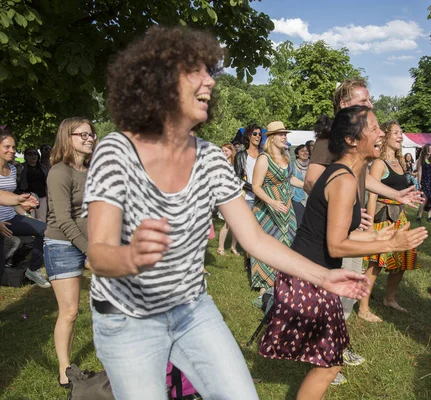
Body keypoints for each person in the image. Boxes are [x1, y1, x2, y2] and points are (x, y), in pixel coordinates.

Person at [84, 26, 370, 400]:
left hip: (191, 310)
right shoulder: (116, 150)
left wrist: (323, 276)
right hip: (126, 318)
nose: (210, 81)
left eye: (210, 73)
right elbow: (98, 254)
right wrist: (131, 255)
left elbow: (253, 238)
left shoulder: (209, 158)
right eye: (195, 72)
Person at [259, 106, 428, 399]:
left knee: (329, 360)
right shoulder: (344, 180)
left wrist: (378, 234)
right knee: (329, 362)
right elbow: (337, 245)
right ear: (351, 140)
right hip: (309, 279)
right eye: (374, 128)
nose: (382, 133)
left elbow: (343, 234)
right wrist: (390, 245)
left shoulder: (343, 174)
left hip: (313, 276)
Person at [302, 79, 423, 376]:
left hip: (352, 227)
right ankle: (326, 359)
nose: (370, 105)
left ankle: (335, 350)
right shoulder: (330, 140)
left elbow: (360, 179)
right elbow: (310, 181)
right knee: (335, 294)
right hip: (336, 231)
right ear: (345, 105)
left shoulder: (358, 145)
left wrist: (395, 194)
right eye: (364, 101)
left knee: (349, 291)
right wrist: (344, 209)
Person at [44, 117, 97, 388]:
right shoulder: (59, 172)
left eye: (91, 134)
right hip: (61, 245)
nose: (90, 138)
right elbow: (64, 219)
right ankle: (65, 370)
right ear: (68, 137)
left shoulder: (91, 170)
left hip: (90, 243)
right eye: (83, 135)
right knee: (70, 311)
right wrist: (89, 251)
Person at [359, 121, 418, 322]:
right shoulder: (379, 163)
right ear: (385, 138)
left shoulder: (400, 163)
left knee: (401, 262)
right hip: (382, 219)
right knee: (375, 264)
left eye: (401, 132)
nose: (400, 136)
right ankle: (363, 308)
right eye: (396, 133)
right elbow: (372, 194)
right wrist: (368, 225)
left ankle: (389, 299)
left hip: (399, 218)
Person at [250, 121, 303, 292]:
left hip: (286, 207)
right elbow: (256, 186)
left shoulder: (287, 158)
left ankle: (282, 278)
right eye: (281, 134)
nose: (284, 137)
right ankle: (264, 284)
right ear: (271, 138)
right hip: (267, 209)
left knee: (288, 242)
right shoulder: (264, 159)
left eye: (285, 134)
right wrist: (272, 202)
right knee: (268, 243)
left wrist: (308, 186)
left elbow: (290, 180)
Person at [0, 130, 49, 288]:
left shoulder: (13, 169)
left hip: (11, 218)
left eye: (14, 147)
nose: (12, 150)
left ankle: (33, 269)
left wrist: (27, 215)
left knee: (44, 229)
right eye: (7, 146)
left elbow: (12, 198)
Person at [234, 123, 262, 271]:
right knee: (250, 231)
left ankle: (262, 261)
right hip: (249, 198)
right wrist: (254, 189)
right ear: (248, 136)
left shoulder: (264, 155)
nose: (258, 136)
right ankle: (249, 260)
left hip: (264, 198)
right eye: (255, 134)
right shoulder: (241, 156)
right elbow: (238, 178)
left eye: (259, 134)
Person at [216, 143, 239, 256]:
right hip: (224, 197)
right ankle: (220, 247)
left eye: (226, 151)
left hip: (235, 196)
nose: (224, 152)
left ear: (231, 151)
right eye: (222, 150)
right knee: (227, 223)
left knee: (236, 224)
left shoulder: (235, 165)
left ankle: (233, 247)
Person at [17, 147, 49, 222]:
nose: (33, 156)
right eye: (30, 154)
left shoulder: (42, 167)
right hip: (28, 197)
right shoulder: (21, 167)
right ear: (25, 156)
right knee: (30, 219)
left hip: (42, 197)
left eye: (35, 154)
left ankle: (41, 233)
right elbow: (18, 182)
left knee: (42, 220)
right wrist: (19, 174)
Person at [292, 144, 309, 224]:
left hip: (311, 198)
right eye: (302, 151)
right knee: (300, 223)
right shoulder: (292, 166)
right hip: (298, 199)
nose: (305, 153)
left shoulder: (313, 166)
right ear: (296, 154)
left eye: (306, 151)